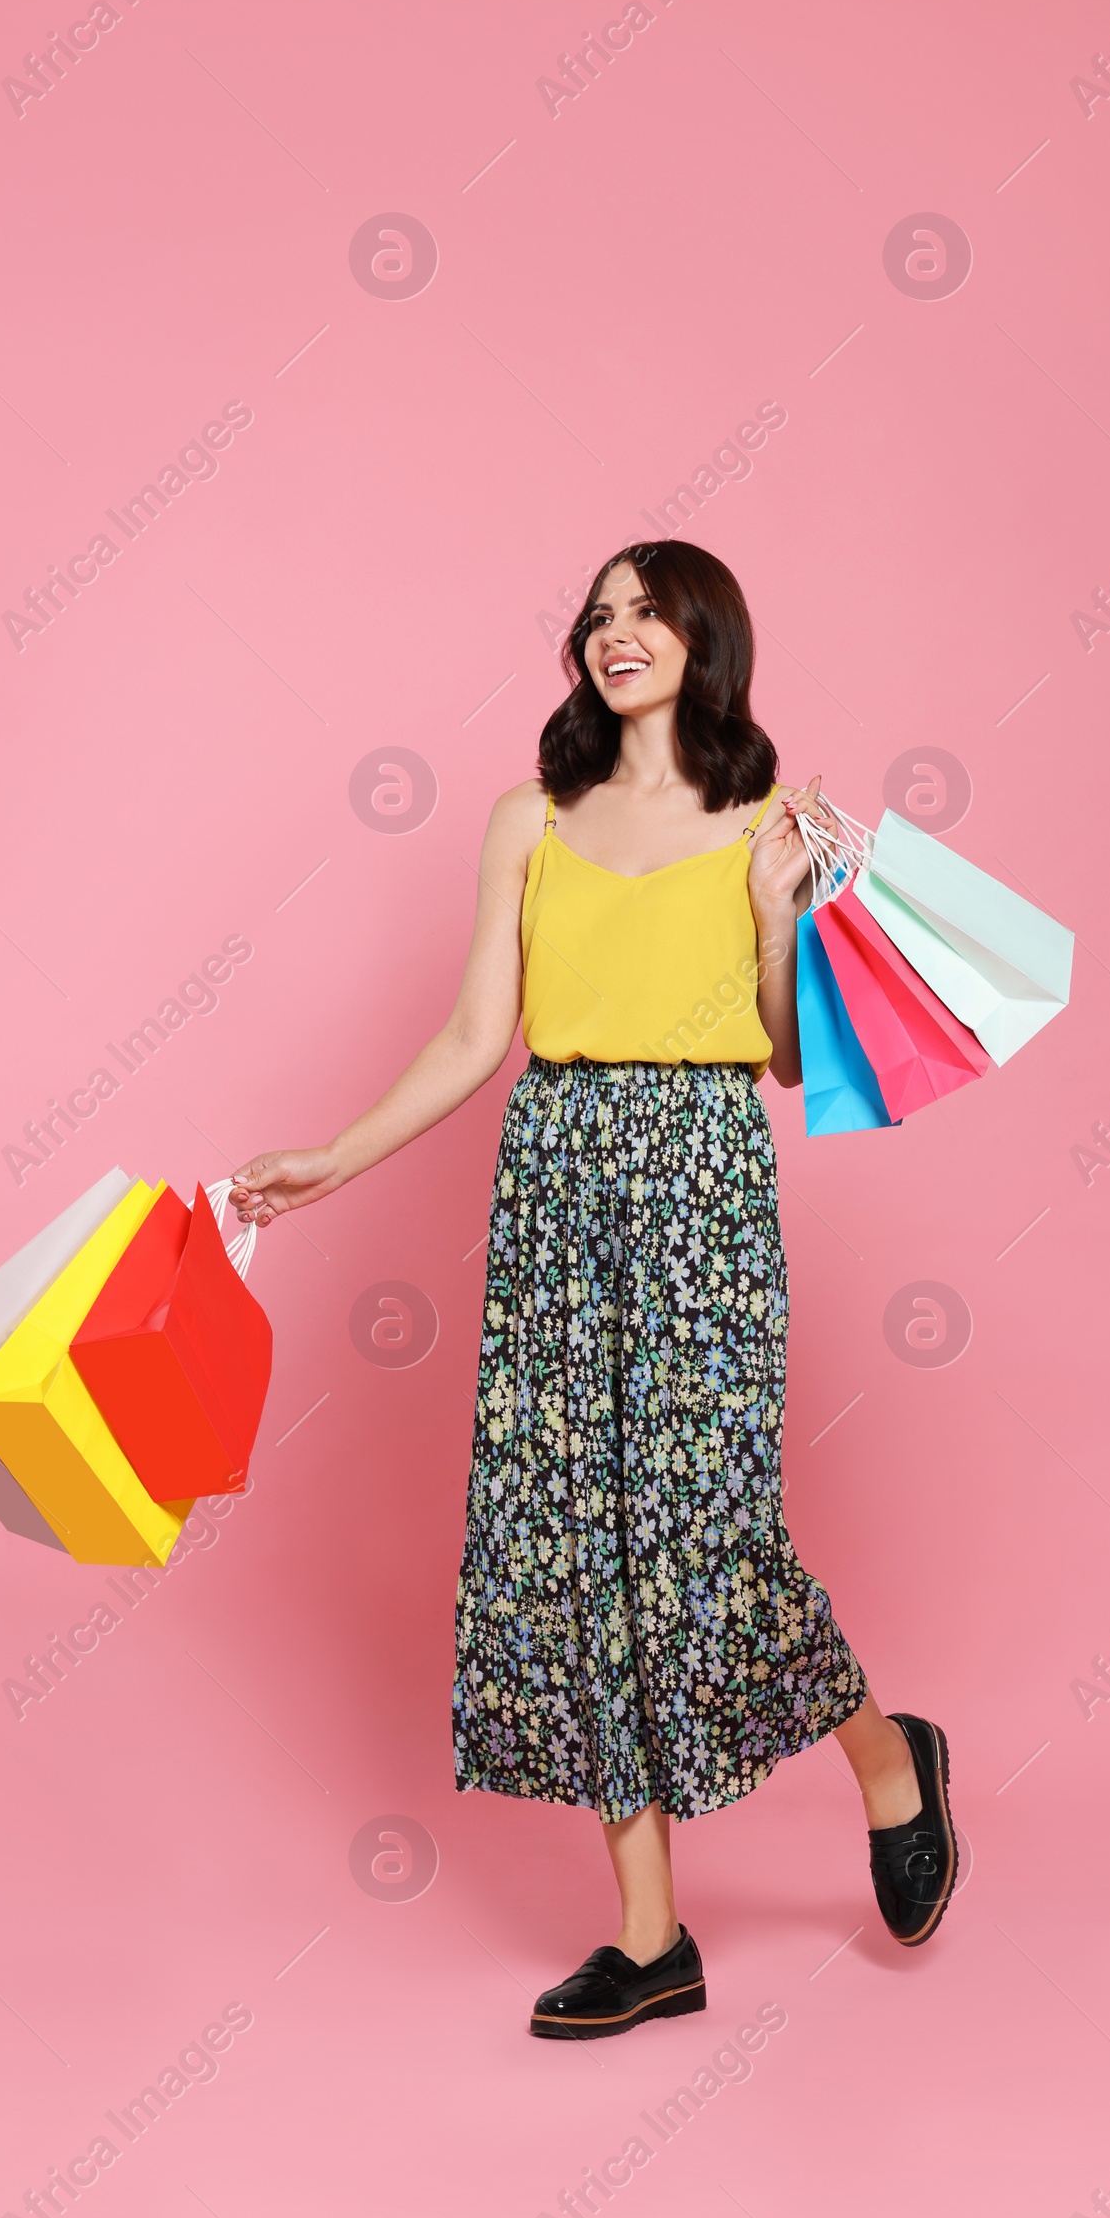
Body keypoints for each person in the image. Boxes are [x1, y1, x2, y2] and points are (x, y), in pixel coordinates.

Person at [230, 540, 958, 2039]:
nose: (618, 633)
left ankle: (891, 1761)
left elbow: (785, 1057)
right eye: (602, 614)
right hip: (556, 1175)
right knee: (570, 1546)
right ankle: (651, 1938)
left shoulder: (770, 816)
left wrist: (774, 912)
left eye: (650, 612)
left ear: (707, 639)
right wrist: (332, 1160)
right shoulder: (529, 818)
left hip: (700, 1179)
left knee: (707, 1541)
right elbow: (472, 1035)